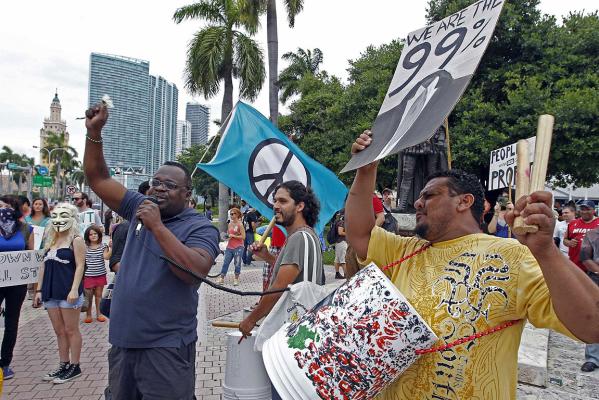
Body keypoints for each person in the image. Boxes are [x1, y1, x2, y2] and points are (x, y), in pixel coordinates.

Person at [345, 130, 599, 399]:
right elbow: (359, 233)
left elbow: (592, 325)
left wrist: (547, 252)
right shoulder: (407, 249)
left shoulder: (512, 256)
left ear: (464, 201)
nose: (418, 202)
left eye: (430, 195)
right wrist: (365, 170)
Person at [84, 103, 219, 400]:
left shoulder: (201, 228)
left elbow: (194, 272)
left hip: (166, 348)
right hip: (123, 342)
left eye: (169, 185)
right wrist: (94, 133)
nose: (158, 188)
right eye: (155, 182)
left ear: (187, 195)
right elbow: (98, 178)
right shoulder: (137, 207)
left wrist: (158, 228)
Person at [239, 180, 325, 337]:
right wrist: (268, 257)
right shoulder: (307, 235)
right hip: (302, 326)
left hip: (294, 330)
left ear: (300, 206)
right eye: (275, 200)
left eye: (283, 201)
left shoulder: (299, 237)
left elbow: (279, 287)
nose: (276, 206)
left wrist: (251, 320)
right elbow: (294, 274)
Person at [33, 202, 85, 384]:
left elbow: (80, 266)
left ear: (72, 218)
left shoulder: (76, 240)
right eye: (55, 216)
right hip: (50, 291)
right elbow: (43, 266)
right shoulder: (51, 240)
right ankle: (63, 364)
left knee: (71, 330)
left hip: (68, 291)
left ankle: (75, 365)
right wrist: (38, 289)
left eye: (63, 216)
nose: (58, 220)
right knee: (59, 331)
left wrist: (73, 289)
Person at [0, 195, 34, 380]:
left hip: (16, 283)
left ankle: (5, 363)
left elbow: (30, 255)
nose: (2, 209)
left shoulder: (26, 229)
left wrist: (36, 288)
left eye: (6, 206)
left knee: (11, 323)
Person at [83, 225, 110, 323]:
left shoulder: (103, 246)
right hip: (88, 275)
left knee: (98, 295)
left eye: (95, 234)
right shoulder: (84, 246)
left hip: (100, 274)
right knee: (88, 296)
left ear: (99, 235)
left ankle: (99, 313)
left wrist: (111, 248)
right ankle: (88, 314)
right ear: (87, 236)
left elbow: (106, 257)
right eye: (91, 234)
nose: (93, 236)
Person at [564, 200, 599, 271]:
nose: (584, 212)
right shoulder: (573, 223)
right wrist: (569, 243)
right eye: (582, 209)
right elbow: (565, 240)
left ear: (594, 210)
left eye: (587, 209)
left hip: (594, 267)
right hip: (575, 265)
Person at [216, 207, 245, 286]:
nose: (232, 215)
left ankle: (236, 278)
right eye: (231, 214)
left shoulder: (240, 224)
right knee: (226, 262)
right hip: (229, 246)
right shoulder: (230, 224)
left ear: (238, 214)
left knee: (237, 263)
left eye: (233, 214)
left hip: (239, 247)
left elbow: (243, 237)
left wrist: (234, 236)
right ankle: (222, 278)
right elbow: (230, 234)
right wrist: (226, 237)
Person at [334, 210, 347, 279]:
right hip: (342, 242)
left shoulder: (337, 221)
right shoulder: (342, 222)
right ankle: (346, 274)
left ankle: (337, 273)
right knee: (343, 259)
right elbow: (340, 232)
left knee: (337, 259)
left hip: (338, 242)